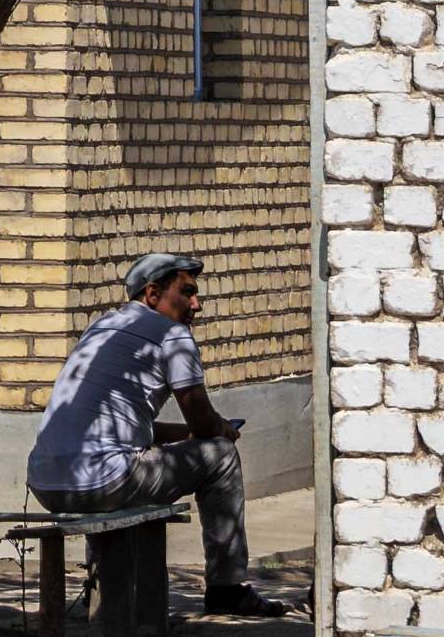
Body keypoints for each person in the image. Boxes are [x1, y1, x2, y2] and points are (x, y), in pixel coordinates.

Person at [26, 250, 289, 617]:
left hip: (45, 481)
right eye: (187, 292)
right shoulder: (172, 335)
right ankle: (227, 586)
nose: (196, 305)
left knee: (133, 461)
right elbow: (202, 422)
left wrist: (186, 435)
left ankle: (108, 596)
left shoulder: (100, 329)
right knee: (222, 456)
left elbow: (130, 426)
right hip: (105, 480)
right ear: (152, 294)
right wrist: (222, 431)